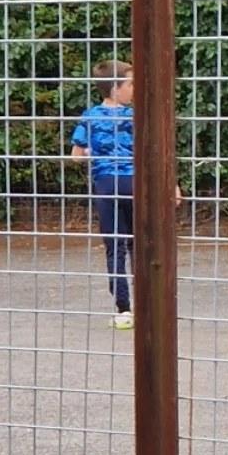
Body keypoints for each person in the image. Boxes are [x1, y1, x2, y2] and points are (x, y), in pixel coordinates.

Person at [71, 59, 137, 329]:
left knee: (115, 247)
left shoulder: (90, 116)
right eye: (131, 84)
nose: (135, 89)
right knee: (138, 246)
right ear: (114, 87)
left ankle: (124, 309)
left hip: (106, 184)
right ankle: (145, 305)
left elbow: (76, 156)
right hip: (133, 183)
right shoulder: (136, 115)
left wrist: (93, 152)